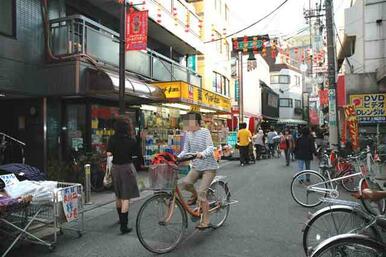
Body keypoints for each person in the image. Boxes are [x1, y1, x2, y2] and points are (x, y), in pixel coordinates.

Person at [178, 112, 218, 230]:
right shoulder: (188, 134)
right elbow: (185, 150)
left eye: (187, 121)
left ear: (195, 122)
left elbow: (211, 147)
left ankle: (206, 220)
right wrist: (177, 157)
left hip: (209, 167)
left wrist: (202, 154)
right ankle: (195, 196)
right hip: (196, 167)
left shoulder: (205, 132)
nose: (186, 124)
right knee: (186, 183)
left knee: (202, 194)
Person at [106, 118, 140, 234]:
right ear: (127, 127)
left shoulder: (112, 139)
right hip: (126, 168)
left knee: (118, 195)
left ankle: (120, 220)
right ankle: (124, 226)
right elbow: (136, 154)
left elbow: (109, 154)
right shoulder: (131, 140)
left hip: (115, 168)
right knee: (126, 197)